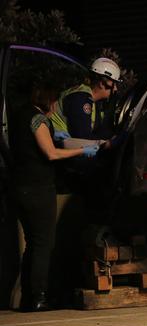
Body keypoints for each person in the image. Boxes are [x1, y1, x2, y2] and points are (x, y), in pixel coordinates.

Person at [9, 82, 98, 311]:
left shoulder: (19, 115)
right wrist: (82, 150)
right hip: (37, 188)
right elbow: (51, 153)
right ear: (49, 101)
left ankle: (29, 297)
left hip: (21, 187)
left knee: (33, 243)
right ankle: (39, 297)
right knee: (43, 244)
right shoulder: (37, 119)